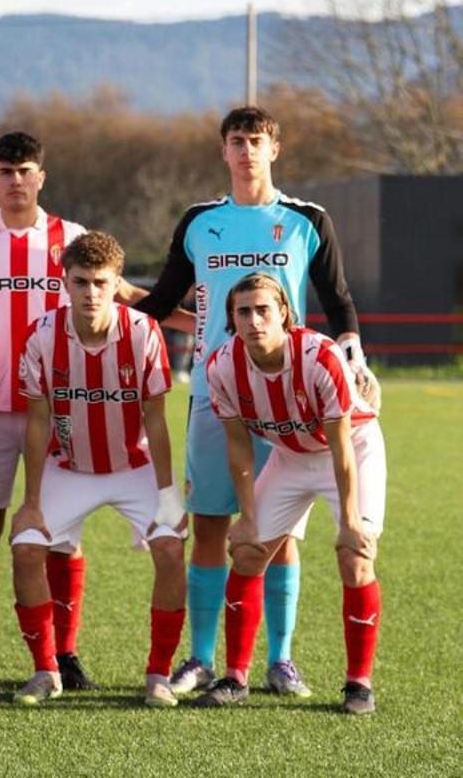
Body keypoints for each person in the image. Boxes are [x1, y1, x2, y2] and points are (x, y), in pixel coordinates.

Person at [134, 106, 378, 696]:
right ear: (222, 151)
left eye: (255, 140)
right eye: (235, 141)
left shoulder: (304, 219)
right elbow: (166, 297)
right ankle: (199, 658)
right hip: (219, 395)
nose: (245, 150)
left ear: (275, 148)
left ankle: (280, 658)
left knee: (279, 534)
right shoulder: (199, 221)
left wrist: (353, 355)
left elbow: (338, 300)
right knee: (216, 522)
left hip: (286, 400)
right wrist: (120, 304)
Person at [0, 132, 189, 689]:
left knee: (58, 536)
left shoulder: (70, 238)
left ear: (41, 177)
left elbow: (121, 293)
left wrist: (197, 324)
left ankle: (63, 656)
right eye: (6, 171)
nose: (16, 180)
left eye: (26, 170)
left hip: (56, 412)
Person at [10, 231, 187, 708]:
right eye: (81, 282)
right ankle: (46, 670)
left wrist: (168, 494)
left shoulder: (143, 332)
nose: (91, 293)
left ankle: (158, 675)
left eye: (101, 283)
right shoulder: (43, 334)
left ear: (116, 285)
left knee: (171, 548)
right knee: (26, 548)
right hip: (69, 467)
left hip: (135, 466)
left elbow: (156, 418)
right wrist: (29, 503)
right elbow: (37, 421)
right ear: (64, 283)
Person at [195, 273, 384, 715]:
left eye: (264, 310)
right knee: (246, 551)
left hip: (352, 449)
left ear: (284, 313)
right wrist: (247, 516)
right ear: (232, 319)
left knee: (355, 557)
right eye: (244, 312)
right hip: (289, 455)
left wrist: (350, 520)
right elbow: (239, 445)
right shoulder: (223, 366)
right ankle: (235, 676)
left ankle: (359, 684)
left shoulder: (320, 356)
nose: (254, 320)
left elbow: (340, 448)